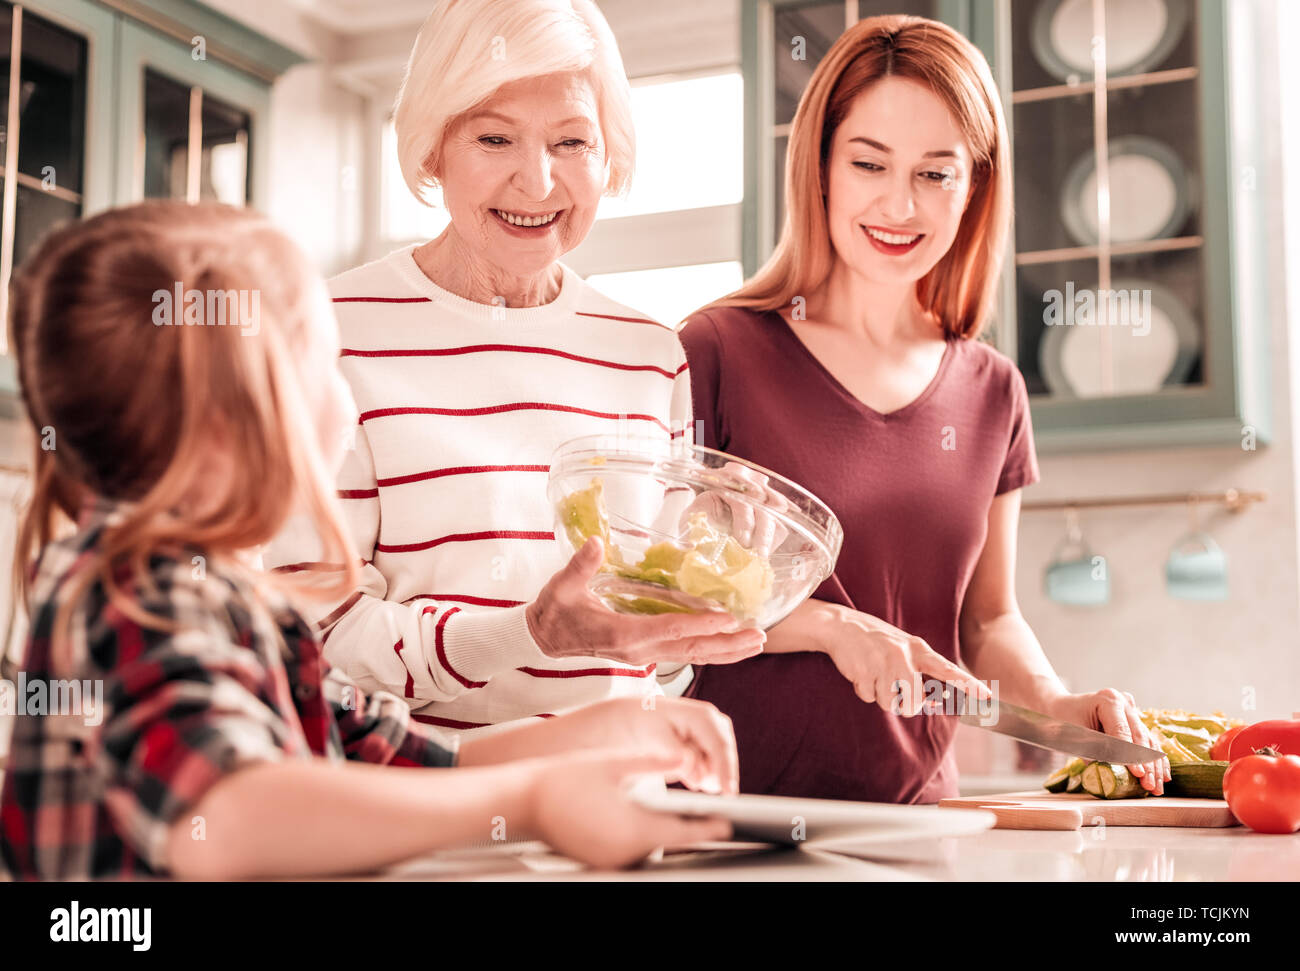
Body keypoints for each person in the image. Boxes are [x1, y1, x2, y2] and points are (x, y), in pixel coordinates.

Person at [0, 201, 736, 880]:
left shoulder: (236, 601)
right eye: (324, 365)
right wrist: (539, 800)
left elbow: (401, 760)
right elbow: (229, 818)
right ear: (238, 419)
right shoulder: (140, 590)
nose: (348, 393)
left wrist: (608, 731)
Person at [679, 15, 1171, 803]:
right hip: (728, 821)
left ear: (974, 186)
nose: (899, 205)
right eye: (869, 163)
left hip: (918, 822)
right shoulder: (717, 350)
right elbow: (673, 603)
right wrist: (833, 627)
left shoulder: (993, 391)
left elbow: (988, 621)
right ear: (822, 169)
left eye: (935, 173)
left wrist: (1061, 706)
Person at [265, 0, 763, 738]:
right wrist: (529, 633)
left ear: (609, 157)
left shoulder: (648, 351)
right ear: (433, 147)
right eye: (494, 138)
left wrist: (697, 583)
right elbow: (313, 636)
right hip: (426, 809)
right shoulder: (329, 328)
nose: (537, 183)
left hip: (615, 802)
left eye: (571, 142)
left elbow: (649, 665)